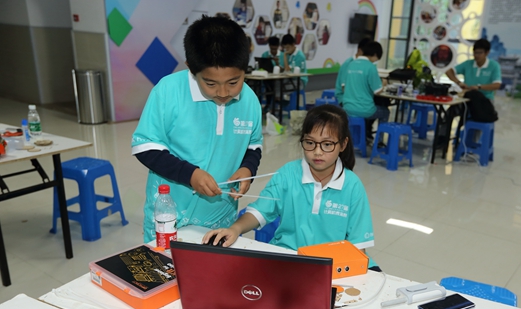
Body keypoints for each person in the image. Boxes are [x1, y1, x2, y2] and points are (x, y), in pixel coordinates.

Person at [131, 16, 263, 243]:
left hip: (220, 218)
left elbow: (254, 145)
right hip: (169, 216)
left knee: (214, 264)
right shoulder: (168, 91)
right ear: (191, 69)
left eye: (233, 82)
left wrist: (247, 168)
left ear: (245, 69)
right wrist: (190, 175)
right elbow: (146, 148)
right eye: (210, 83)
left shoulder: (249, 100)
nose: (223, 92)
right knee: (166, 264)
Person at [202, 105, 377, 268]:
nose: (317, 152)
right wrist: (235, 228)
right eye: (310, 142)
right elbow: (260, 211)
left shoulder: (352, 186)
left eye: (327, 144)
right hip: (288, 259)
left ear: (343, 144)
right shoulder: (288, 174)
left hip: (331, 266)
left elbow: (358, 246)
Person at [342, 41, 389, 142]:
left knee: (370, 109)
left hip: (347, 108)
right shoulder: (371, 67)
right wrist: (384, 84)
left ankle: (361, 137)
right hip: (364, 110)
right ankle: (379, 142)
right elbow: (377, 91)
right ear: (375, 55)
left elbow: (344, 87)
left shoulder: (351, 64)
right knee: (385, 112)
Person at [335, 38, 371, 106]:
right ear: (359, 51)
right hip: (346, 100)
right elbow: (344, 88)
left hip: (357, 98)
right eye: (368, 54)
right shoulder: (349, 63)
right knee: (382, 110)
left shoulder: (364, 64)